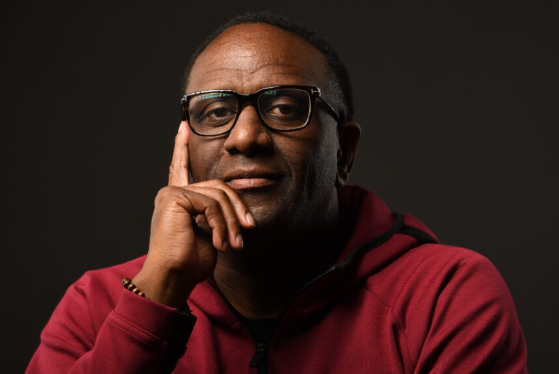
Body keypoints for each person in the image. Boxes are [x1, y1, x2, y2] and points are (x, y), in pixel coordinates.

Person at [26, 11, 528, 374]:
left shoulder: (445, 295)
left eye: (287, 107)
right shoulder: (98, 305)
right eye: (216, 112)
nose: (245, 137)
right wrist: (158, 294)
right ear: (184, 146)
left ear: (344, 151)